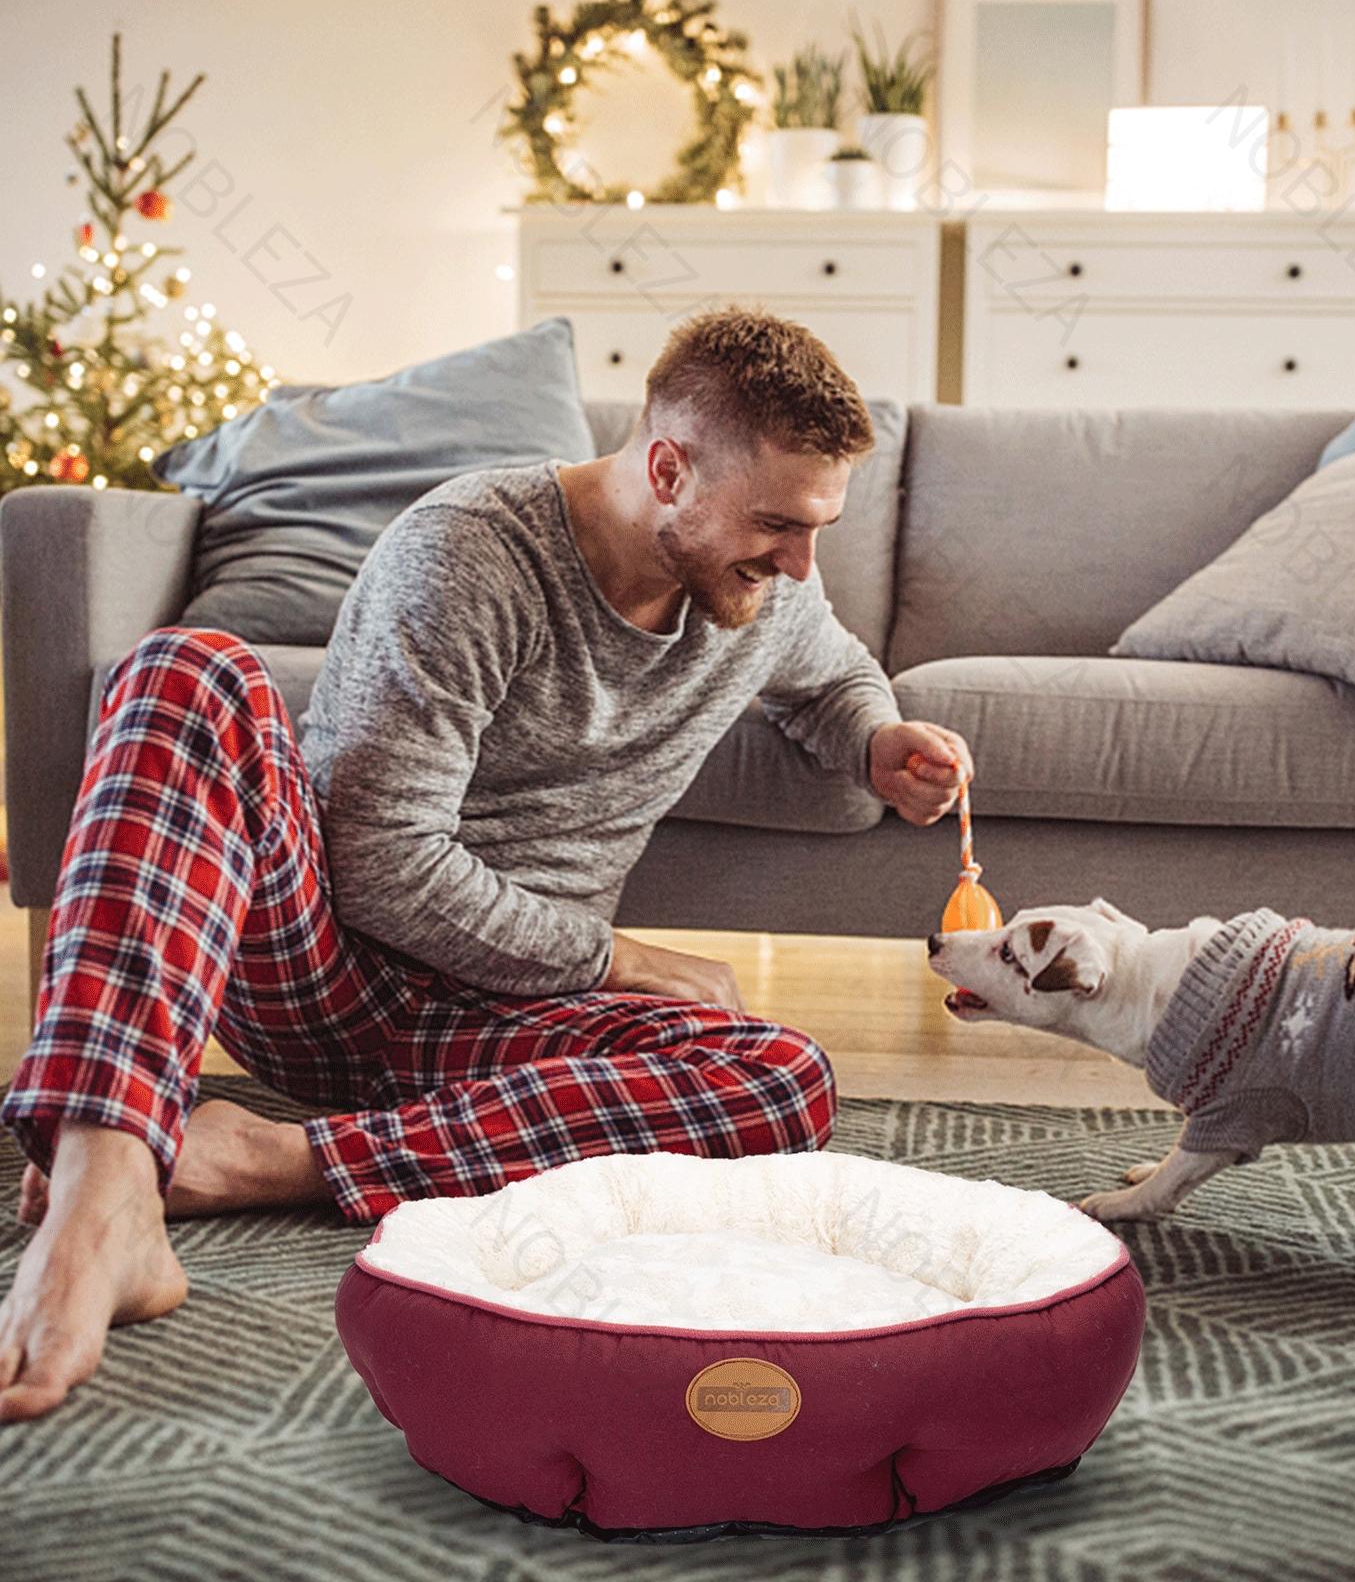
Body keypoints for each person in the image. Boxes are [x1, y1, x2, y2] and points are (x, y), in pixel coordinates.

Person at [0, 306, 974, 1423]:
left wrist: (873, 734)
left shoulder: (764, 590)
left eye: (819, 528)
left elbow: (832, 665)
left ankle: (269, 1156)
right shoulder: (470, 550)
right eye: (777, 525)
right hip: (333, 969)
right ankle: (104, 1177)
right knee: (187, 670)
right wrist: (615, 955)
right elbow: (377, 862)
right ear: (666, 468)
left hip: (506, 1033)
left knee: (780, 1078)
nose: (802, 564)